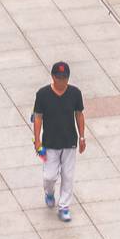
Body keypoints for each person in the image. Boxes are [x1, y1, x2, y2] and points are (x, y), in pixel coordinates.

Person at [32, 61, 85, 223]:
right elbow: (38, 117)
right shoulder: (42, 94)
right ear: (53, 77)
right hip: (50, 143)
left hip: (69, 142)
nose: (61, 81)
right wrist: (37, 141)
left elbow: (79, 114)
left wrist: (82, 136)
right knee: (49, 176)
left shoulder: (75, 93)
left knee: (68, 176)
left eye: (64, 78)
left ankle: (64, 207)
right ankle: (49, 193)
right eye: (58, 77)